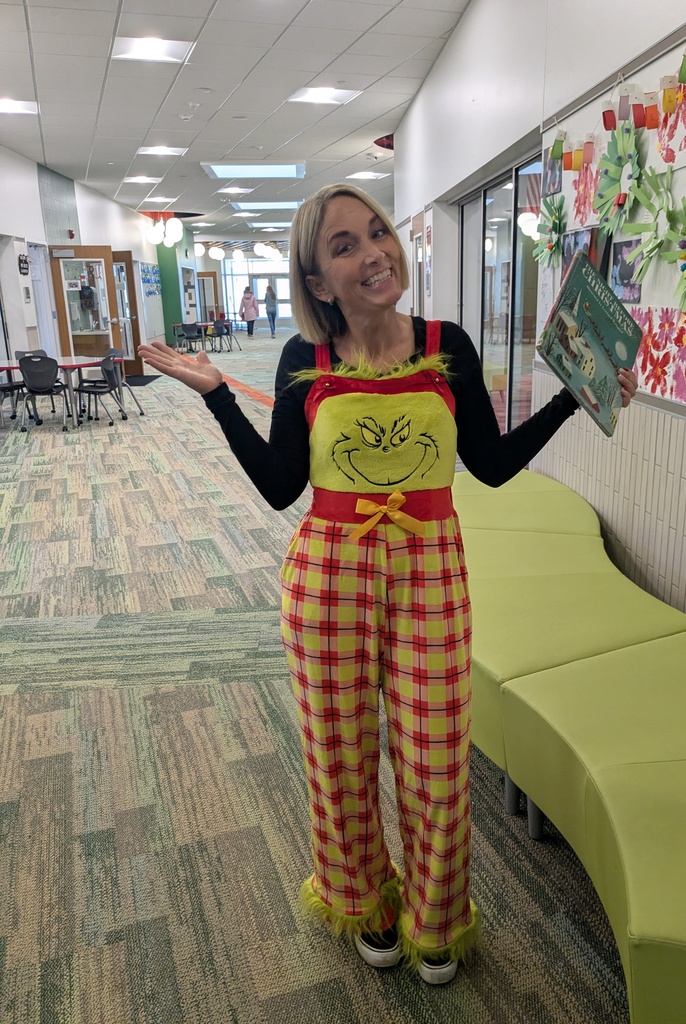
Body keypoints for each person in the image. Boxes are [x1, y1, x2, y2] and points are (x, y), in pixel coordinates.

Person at [138, 183, 638, 986]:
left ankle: (436, 919)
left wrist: (574, 400)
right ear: (317, 283)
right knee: (338, 755)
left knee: (438, 760)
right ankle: (362, 901)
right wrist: (219, 398)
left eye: (377, 232)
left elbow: (493, 465)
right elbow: (278, 487)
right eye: (345, 246)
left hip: (431, 573)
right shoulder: (308, 358)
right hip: (328, 575)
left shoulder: (449, 342)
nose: (374, 253)